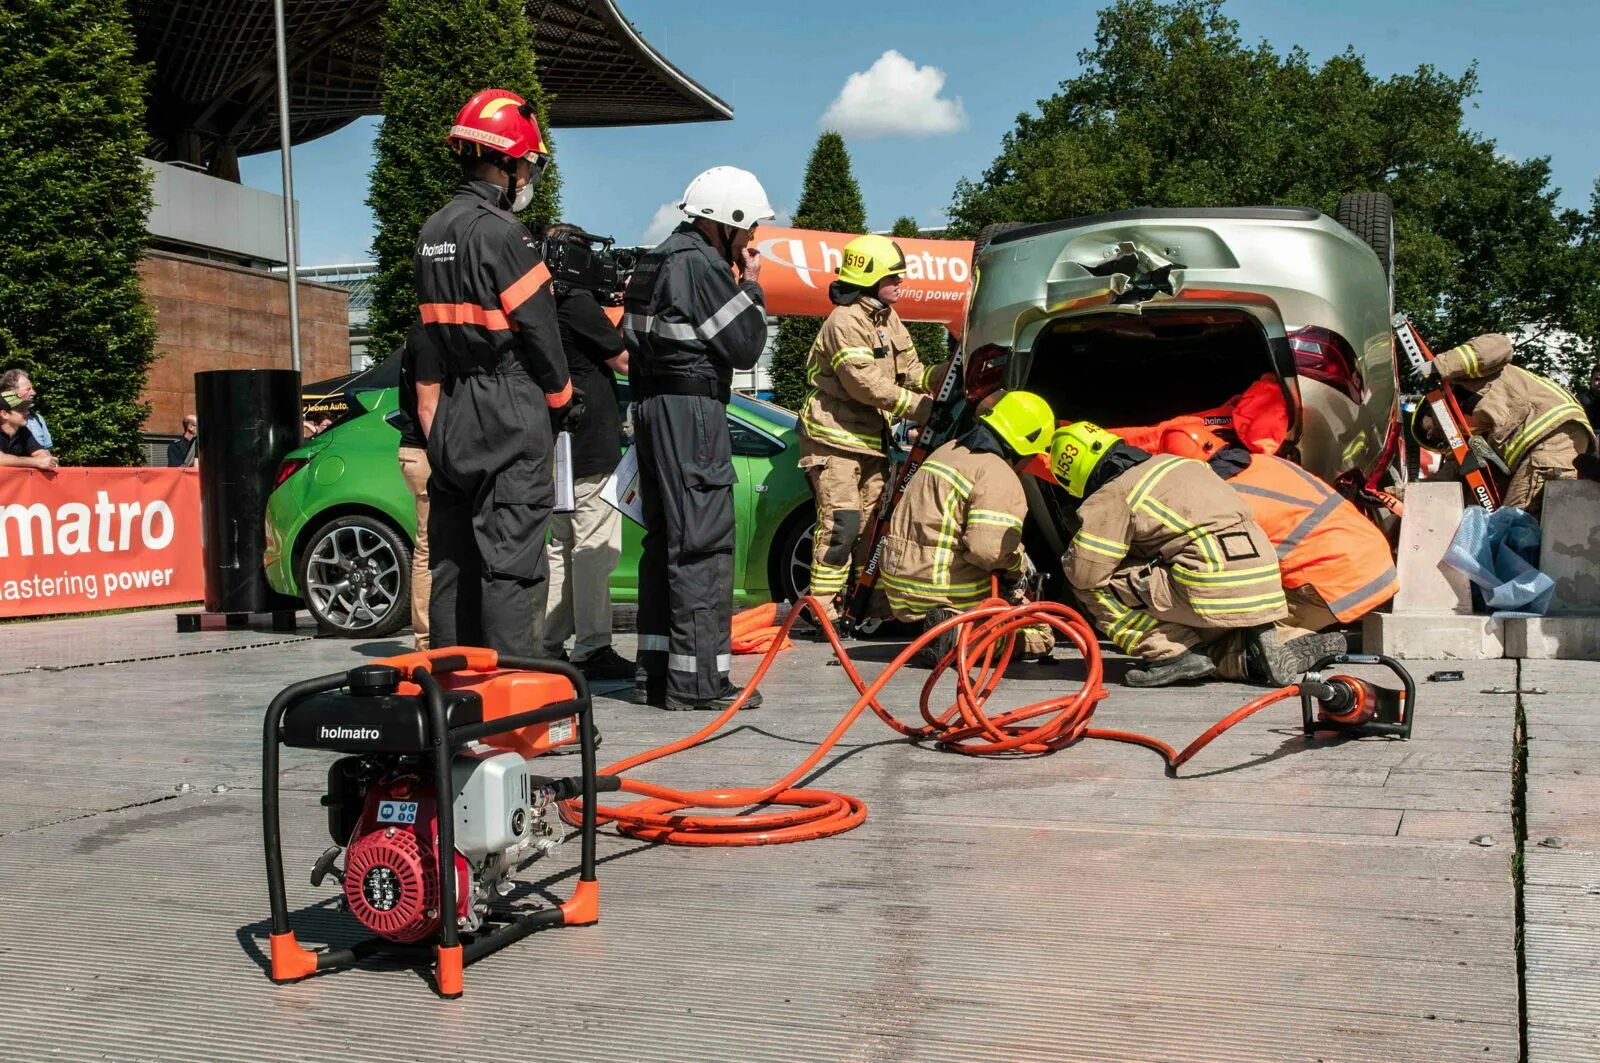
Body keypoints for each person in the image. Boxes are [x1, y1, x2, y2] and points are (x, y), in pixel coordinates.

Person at [413, 88, 580, 656]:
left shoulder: (431, 232)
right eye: (528, 165)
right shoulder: (504, 234)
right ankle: (514, 709)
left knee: (453, 561)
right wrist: (561, 399)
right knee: (511, 563)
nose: (528, 178)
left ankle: (452, 698)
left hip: (457, 406)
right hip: (509, 402)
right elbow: (540, 332)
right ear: (506, 161)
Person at [621, 166, 774, 711]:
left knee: (664, 543)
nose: (751, 238)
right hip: (693, 413)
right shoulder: (703, 265)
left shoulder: (656, 257)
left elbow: (633, 340)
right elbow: (747, 343)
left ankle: (656, 675)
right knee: (703, 547)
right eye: (748, 228)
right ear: (726, 221)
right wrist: (751, 285)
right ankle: (699, 684)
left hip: (653, 408)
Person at [1051, 422, 1338, 688]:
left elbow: (1086, 572)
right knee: (1192, 617)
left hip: (1211, 583)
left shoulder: (1114, 493)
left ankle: (1169, 655)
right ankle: (1263, 649)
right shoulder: (1182, 464)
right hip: (1264, 582)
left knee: (1094, 586)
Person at [798, 235, 947, 616]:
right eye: (894, 276)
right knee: (842, 525)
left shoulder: (886, 317)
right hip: (835, 440)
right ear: (870, 279)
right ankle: (824, 612)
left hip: (870, 442)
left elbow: (911, 370)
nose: (902, 282)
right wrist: (920, 408)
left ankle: (864, 607)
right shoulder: (844, 321)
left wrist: (947, 377)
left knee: (871, 532)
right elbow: (862, 382)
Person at [879, 390, 1057, 665]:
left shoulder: (947, 451)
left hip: (902, 586)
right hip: (944, 588)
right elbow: (988, 551)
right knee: (1039, 635)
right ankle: (959, 637)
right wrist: (1017, 567)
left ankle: (937, 630)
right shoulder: (996, 473)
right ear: (1027, 442)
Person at [529, 223, 634, 681]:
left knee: (560, 545)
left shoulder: (538, 302)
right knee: (594, 545)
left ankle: (548, 644)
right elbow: (625, 359)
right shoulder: (576, 302)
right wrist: (631, 306)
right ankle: (593, 647)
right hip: (588, 444)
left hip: (553, 441)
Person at [1208, 445, 1397, 645]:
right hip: (1381, 566)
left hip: (1336, 588)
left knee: (1228, 636)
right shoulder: (1269, 463)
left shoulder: (1224, 500)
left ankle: (1289, 641)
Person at [1419, 333, 1595, 514]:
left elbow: (1499, 344)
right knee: (1509, 520)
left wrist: (1440, 365)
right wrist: (1411, 492)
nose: (1431, 436)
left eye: (1426, 431)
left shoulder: (1459, 378)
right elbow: (1455, 472)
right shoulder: (1472, 428)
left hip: (1553, 434)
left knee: (1514, 522)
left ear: (1428, 409)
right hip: (1541, 441)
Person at [397, 320, 440, 651]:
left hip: (421, 452)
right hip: (426, 454)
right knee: (429, 548)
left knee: (430, 546)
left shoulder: (422, 331)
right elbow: (427, 406)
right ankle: (426, 641)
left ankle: (429, 638)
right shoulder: (426, 333)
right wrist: (447, 456)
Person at [0, 389, 57, 471]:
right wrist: (37, 462)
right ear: (4, 414)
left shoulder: (23, 430)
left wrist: (45, 459)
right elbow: (1, 460)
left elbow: (41, 453)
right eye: (21, 410)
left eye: (27, 408)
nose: (27, 412)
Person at [0, 369, 51, 451]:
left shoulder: (37, 419)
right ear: (12, 392)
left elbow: (45, 454)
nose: (34, 393)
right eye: (28, 389)